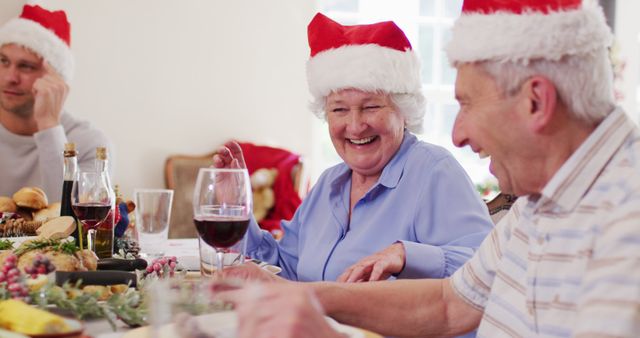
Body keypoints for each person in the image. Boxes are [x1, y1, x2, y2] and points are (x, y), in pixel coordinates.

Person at [218, 0, 640, 337]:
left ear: (535, 102)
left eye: (467, 104)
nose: (456, 134)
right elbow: (448, 305)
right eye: (339, 109)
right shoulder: (540, 202)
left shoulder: (627, 222)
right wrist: (300, 299)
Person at [213, 13, 493, 283]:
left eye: (371, 107)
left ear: (404, 111)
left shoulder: (433, 170)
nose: (356, 126)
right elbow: (284, 267)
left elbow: (486, 267)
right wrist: (235, 210)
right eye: (339, 109)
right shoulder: (328, 183)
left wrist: (406, 254)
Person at [0, 5, 111, 200]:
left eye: (26, 66)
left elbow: (70, 220)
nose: (10, 77)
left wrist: (48, 125)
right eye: (3, 61)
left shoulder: (89, 144)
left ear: (57, 79)